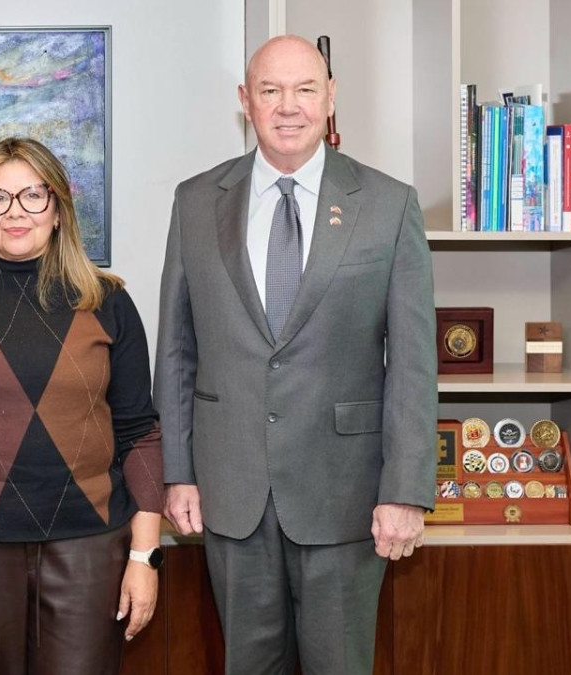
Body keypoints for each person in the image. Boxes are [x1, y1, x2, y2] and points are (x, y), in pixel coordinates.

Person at [154, 35, 437, 674]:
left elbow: (416, 361)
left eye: (306, 89)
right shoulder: (196, 201)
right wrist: (178, 471)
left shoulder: (390, 205)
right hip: (231, 491)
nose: (289, 106)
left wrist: (406, 490)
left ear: (330, 97)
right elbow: (176, 348)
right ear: (245, 102)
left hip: (348, 496)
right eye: (270, 90)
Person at [0, 137, 164, 675]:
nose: (16, 212)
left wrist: (144, 556)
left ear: (58, 209)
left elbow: (139, 433)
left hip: (89, 547)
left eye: (33, 196)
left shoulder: (108, 303)